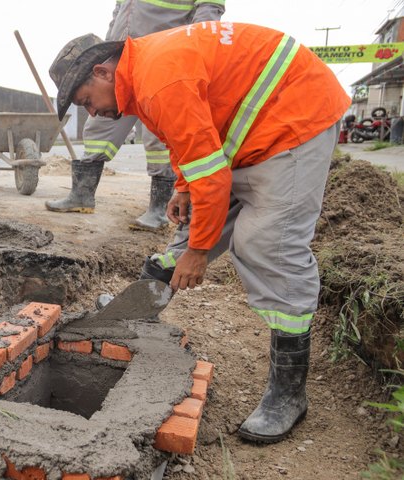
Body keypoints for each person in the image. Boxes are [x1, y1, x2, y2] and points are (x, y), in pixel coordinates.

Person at [49, 24, 350, 443]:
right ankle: (136, 309)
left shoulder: (158, 79)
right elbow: (189, 139)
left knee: (265, 244)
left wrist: (200, 250)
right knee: (189, 229)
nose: (93, 113)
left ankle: (288, 393)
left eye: (86, 102)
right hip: (244, 132)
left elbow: (211, 174)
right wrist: (185, 187)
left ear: (101, 72)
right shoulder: (144, 76)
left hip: (292, 119)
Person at [45, 0, 225, 232]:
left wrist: (198, 51)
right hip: (121, 61)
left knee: (158, 139)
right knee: (98, 128)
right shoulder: (104, 78)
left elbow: (209, 10)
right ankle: (82, 194)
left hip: (161, 64)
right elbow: (119, 12)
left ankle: (158, 209)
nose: (88, 108)